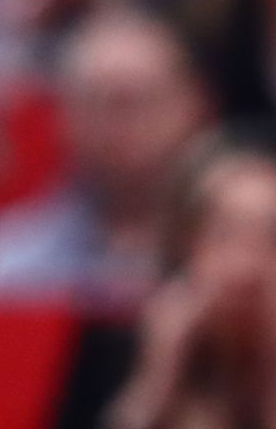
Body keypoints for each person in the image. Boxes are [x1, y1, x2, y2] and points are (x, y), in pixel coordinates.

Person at [0, 2, 214, 312]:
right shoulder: (8, 267)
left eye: (141, 99)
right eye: (98, 102)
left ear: (195, 104)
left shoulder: (242, 259)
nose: (122, 124)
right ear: (64, 117)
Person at [103, 129, 276, 429]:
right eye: (223, 234)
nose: (245, 265)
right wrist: (158, 379)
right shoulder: (119, 345)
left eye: (270, 239)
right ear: (183, 245)